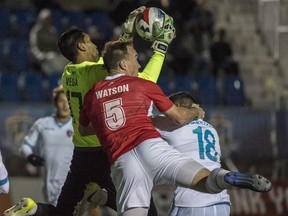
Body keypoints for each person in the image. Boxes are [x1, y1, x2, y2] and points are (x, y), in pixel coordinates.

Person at [4, 6, 176, 216]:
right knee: (145, 210)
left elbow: (117, 59)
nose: (96, 46)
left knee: (63, 213)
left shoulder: (68, 73)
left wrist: (127, 34)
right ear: (81, 46)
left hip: (80, 155)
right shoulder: (95, 73)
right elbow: (138, 76)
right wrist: (160, 48)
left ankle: (33, 209)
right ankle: (101, 197)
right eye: (91, 42)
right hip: (106, 153)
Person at [77, 40, 271, 216]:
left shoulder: (92, 95)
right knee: (206, 182)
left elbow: (84, 131)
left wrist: (112, 127)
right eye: (135, 59)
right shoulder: (142, 85)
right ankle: (227, 177)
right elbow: (178, 117)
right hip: (150, 146)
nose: (139, 64)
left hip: (123, 159)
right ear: (123, 64)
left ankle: (102, 198)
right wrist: (196, 112)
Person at [152, 91, 231, 216]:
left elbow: (140, 120)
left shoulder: (171, 124)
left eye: (170, 108)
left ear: (178, 107)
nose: (167, 112)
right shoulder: (210, 128)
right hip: (221, 203)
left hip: (191, 203)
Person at [18, 85, 74, 206]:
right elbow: (25, 146)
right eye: (61, 101)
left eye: (68, 102)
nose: (65, 105)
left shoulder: (79, 126)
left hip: (72, 181)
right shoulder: (42, 124)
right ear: (55, 103)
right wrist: (30, 156)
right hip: (49, 182)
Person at [29, 8, 68, 75]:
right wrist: (45, 56)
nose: (47, 21)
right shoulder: (36, 32)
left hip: (53, 57)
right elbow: (34, 49)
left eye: (49, 19)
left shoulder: (52, 31)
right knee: (54, 64)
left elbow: (56, 47)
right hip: (43, 59)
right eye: (45, 19)